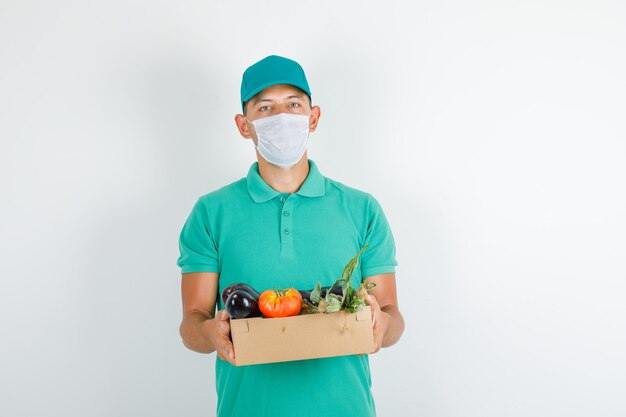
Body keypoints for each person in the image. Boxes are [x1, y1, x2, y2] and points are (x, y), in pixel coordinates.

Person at [177, 55, 404, 417]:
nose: (282, 117)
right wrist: (210, 333)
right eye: (265, 107)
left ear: (313, 117)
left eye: (293, 104)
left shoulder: (361, 209)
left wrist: (383, 323)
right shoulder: (211, 212)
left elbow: (392, 316)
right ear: (243, 125)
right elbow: (192, 321)